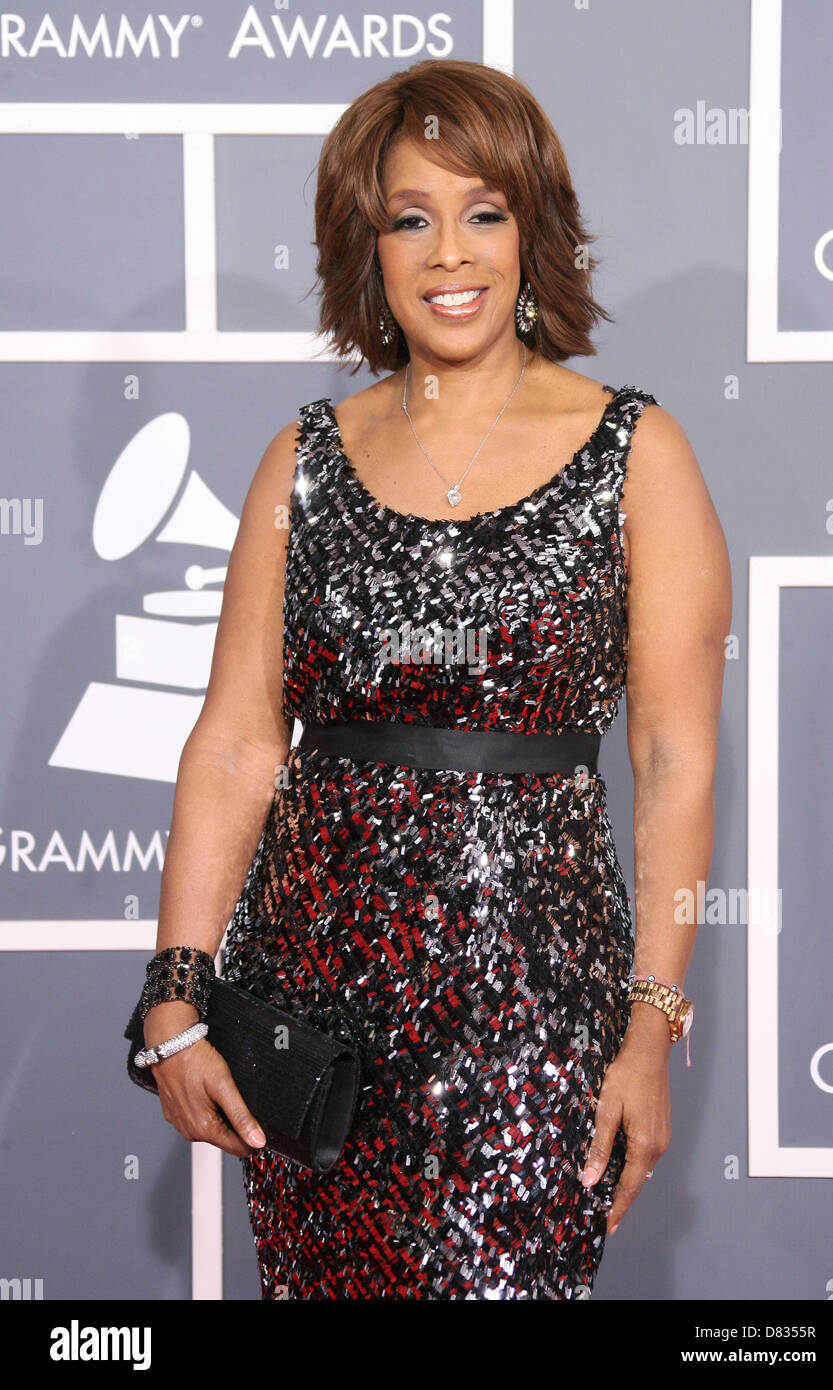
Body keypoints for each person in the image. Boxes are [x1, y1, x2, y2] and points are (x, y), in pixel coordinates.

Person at [136, 58, 731, 1299]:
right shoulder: (301, 460)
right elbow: (237, 743)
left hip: (533, 1002)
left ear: (530, 233)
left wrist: (650, 1021)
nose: (449, 253)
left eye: (483, 212)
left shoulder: (635, 453)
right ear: (369, 249)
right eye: (410, 218)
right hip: (318, 1011)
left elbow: (673, 757)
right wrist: (177, 992)